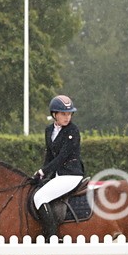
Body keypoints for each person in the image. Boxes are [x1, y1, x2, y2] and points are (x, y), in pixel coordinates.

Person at [33, 95, 86, 241]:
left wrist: (44, 171)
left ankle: (53, 236)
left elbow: (62, 156)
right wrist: (42, 175)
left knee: (39, 197)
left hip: (71, 175)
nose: (67, 117)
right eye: (63, 114)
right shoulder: (49, 130)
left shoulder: (73, 130)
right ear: (54, 114)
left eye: (69, 114)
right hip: (57, 175)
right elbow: (49, 156)